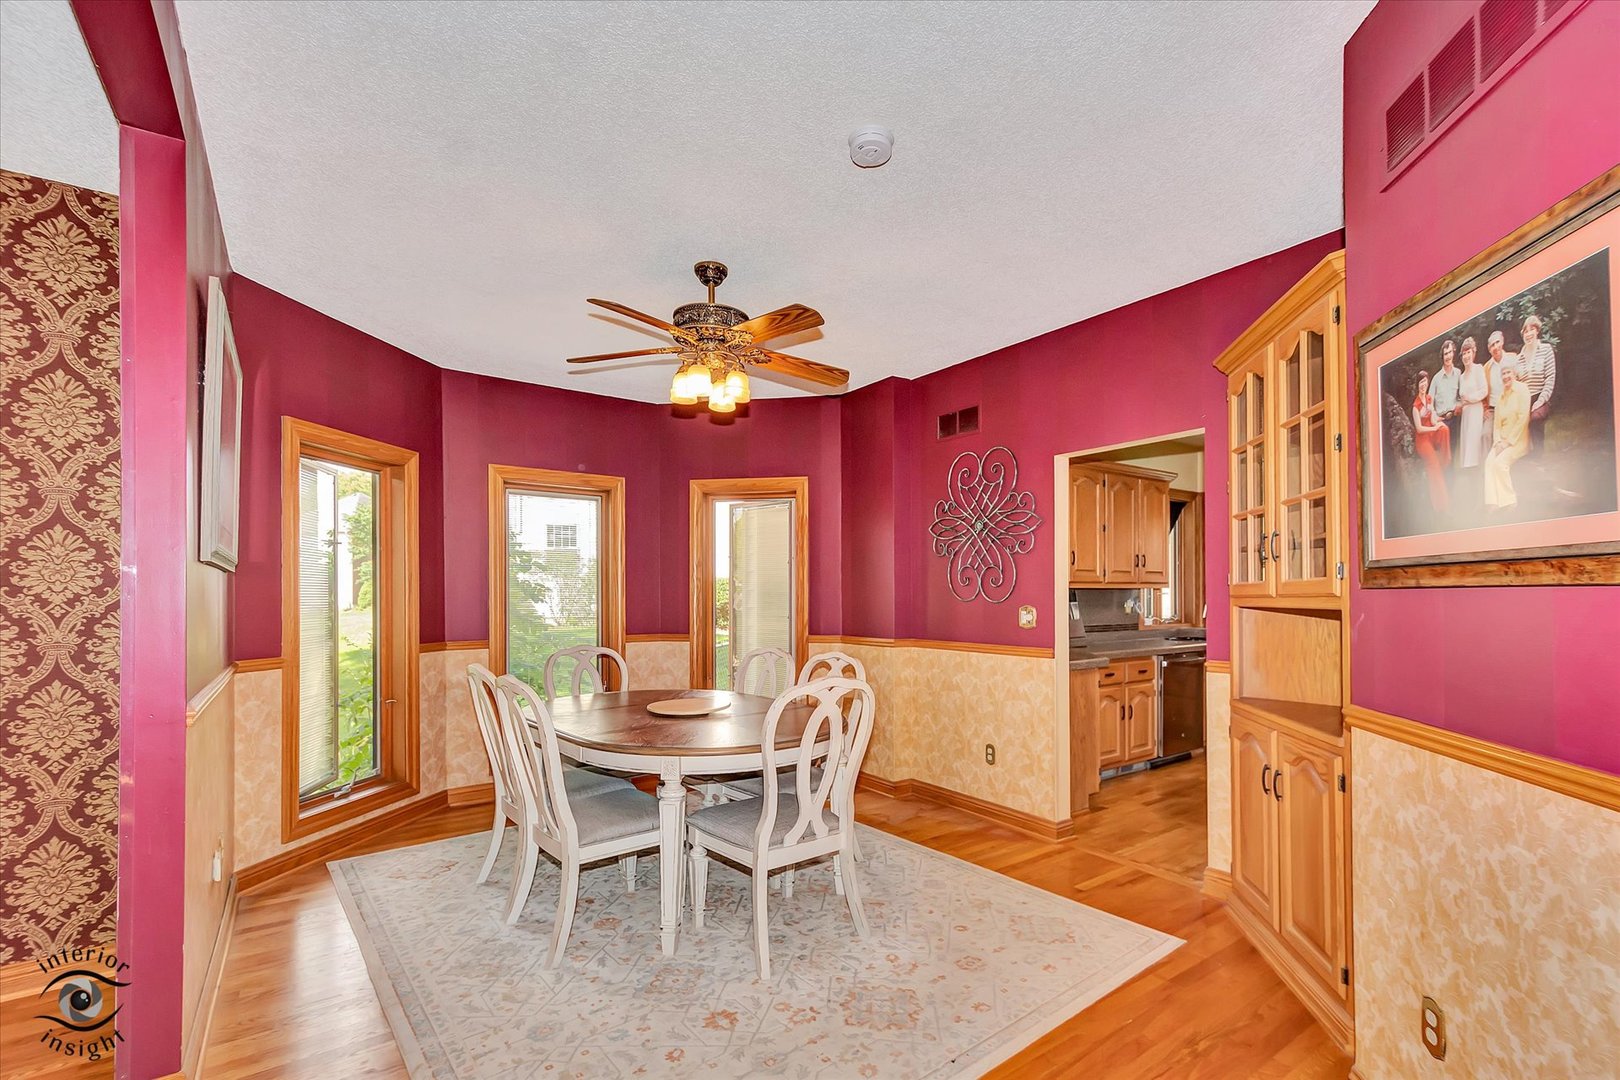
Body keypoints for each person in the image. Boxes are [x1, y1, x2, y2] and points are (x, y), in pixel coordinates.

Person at [1484, 363, 1531, 510]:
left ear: (1514, 374)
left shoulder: (1522, 390)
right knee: (1489, 463)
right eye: (1503, 374)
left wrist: (1508, 442)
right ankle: (1493, 502)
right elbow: (1497, 424)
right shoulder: (1501, 397)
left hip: (1518, 440)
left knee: (1499, 463)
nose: (1506, 376)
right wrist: (1498, 441)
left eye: (1508, 373)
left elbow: (1523, 418)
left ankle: (1509, 501)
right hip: (1501, 441)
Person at [1411, 370, 1451, 515]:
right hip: (1423, 439)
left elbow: (1433, 418)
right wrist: (1434, 428)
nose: (1423, 385)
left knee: (1444, 429)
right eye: (1421, 382)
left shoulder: (1429, 399)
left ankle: (1445, 460)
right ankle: (1440, 506)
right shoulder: (1415, 406)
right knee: (1433, 466)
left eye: (1425, 382)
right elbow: (1419, 428)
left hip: (1431, 433)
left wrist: (1438, 423)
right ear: (1417, 385)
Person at [1517, 314, 1556, 455]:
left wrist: (1540, 401)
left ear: (1537, 331)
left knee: (1535, 418)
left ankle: (1538, 455)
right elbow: (1518, 384)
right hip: (1525, 399)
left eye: (1531, 330)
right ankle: (1521, 453)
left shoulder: (1546, 349)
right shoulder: (1519, 358)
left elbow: (1550, 378)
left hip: (1541, 396)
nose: (1528, 334)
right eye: (1525, 331)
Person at [1456, 337, 1489, 471]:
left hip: (1476, 410)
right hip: (1466, 413)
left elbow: (1484, 390)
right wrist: (1461, 404)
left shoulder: (1478, 369)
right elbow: (1461, 397)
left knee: (1474, 441)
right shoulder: (1461, 377)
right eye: (1464, 353)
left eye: (1468, 352)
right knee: (1467, 443)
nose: (1466, 356)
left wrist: (1470, 399)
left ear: (1473, 353)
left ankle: (1478, 470)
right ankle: (1469, 471)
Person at [1429, 340, 1463, 463]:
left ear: (1453, 353)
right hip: (1442, 422)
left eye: (1449, 352)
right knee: (1442, 456)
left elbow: (1461, 395)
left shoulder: (1458, 373)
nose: (1448, 356)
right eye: (1445, 354)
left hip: (1454, 419)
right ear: (1442, 357)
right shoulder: (1436, 378)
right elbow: (1429, 401)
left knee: (1453, 453)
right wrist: (1434, 415)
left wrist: (1459, 404)